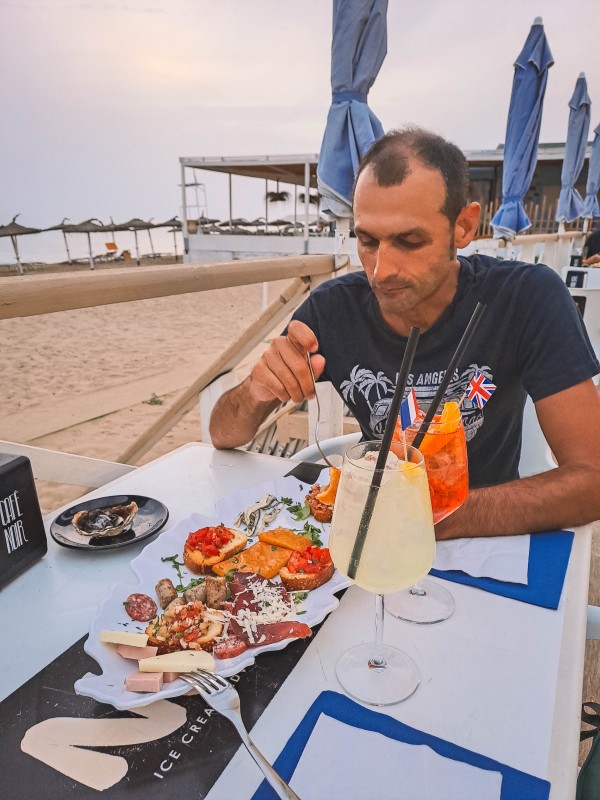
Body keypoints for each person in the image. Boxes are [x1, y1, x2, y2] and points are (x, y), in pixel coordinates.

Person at [210, 127, 600, 540]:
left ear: (464, 227)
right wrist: (256, 388)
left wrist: (441, 517)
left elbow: (592, 479)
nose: (381, 271)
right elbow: (223, 435)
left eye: (409, 241)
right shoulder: (332, 309)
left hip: (488, 537)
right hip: (377, 533)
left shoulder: (526, 297)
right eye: (367, 240)